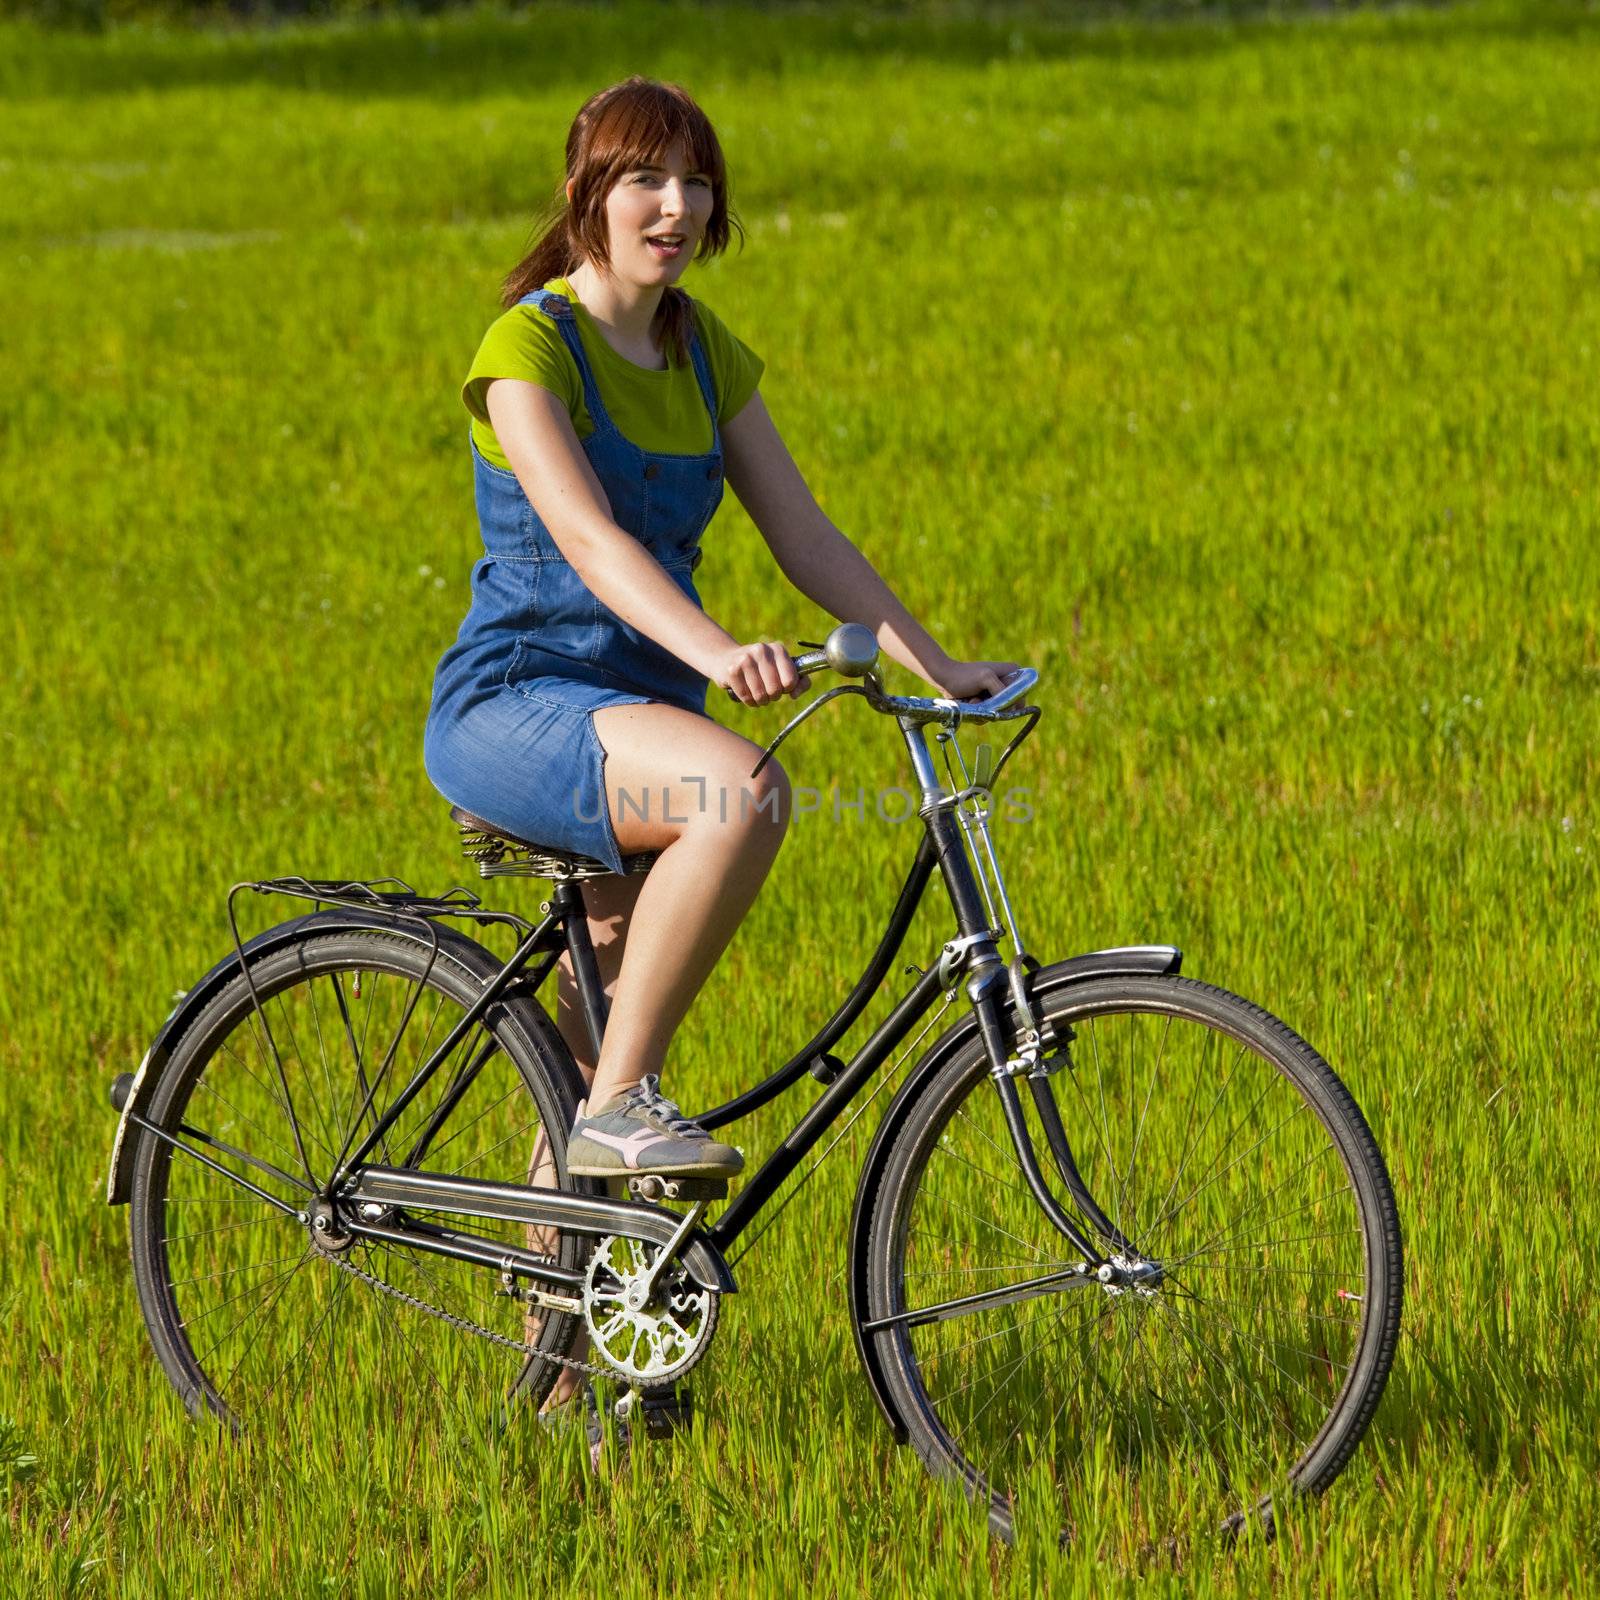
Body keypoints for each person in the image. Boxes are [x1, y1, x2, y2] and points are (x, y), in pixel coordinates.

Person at [424, 74, 1016, 1201]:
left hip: (641, 721)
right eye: (644, 178)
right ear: (582, 197)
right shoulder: (526, 351)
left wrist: (936, 666)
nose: (675, 206)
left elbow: (805, 538)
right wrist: (712, 649)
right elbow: (591, 544)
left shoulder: (702, 352)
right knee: (740, 793)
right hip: (518, 704)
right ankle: (614, 1115)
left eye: (696, 182)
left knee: (599, 1024)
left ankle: (572, 1322)